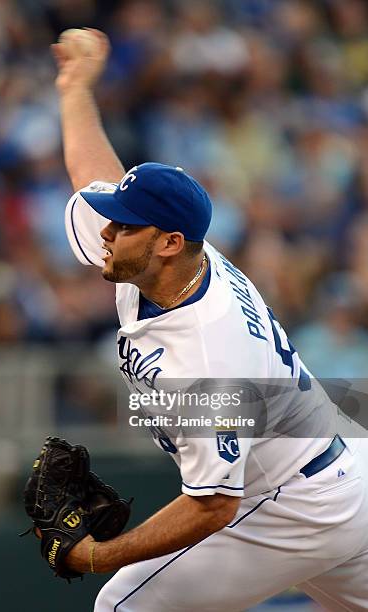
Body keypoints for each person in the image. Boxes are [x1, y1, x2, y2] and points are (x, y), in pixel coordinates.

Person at [51, 29, 368, 611]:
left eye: (122, 225)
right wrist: (76, 88)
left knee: (121, 605)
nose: (105, 233)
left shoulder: (207, 355)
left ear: (168, 242)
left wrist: (95, 556)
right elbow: (91, 174)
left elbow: (213, 506)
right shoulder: (159, 261)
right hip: (334, 470)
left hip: (290, 504)